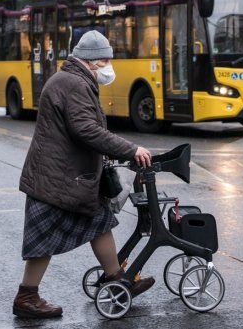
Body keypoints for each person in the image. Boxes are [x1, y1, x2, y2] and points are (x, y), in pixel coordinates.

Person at [13, 30, 153, 319]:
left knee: (98, 222)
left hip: (61, 175)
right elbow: (86, 129)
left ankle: (116, 278)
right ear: (91, 61)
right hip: (57, 179)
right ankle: (27, 297)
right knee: (44, 239)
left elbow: (86, 128)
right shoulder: (75, 84)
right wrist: (130, 149)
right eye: (105, 60)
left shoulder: (71, 79)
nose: (108, 66)